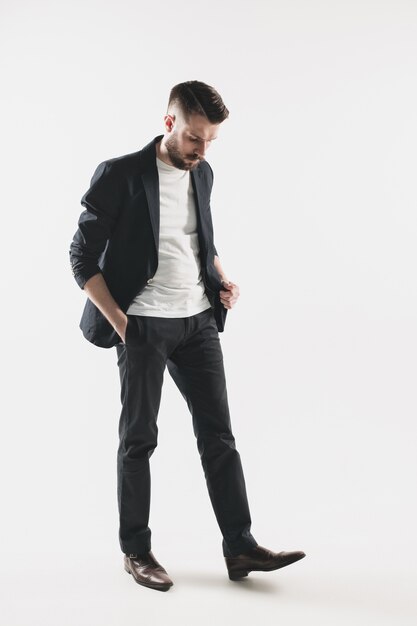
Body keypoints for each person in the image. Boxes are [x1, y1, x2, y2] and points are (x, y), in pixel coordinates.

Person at [69, 80, 305, 592]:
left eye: (211, 141)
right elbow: (81, 258)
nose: (202, 150)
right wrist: (122, 323)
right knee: (139, 441)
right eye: (195, 138)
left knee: (219, 437)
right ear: (169, 122)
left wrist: (221, 279)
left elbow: (202, 241)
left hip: (198, 323)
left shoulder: (205, 173)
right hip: (142, 326)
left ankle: (240, 546)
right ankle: (136, 550)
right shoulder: (120, 174)